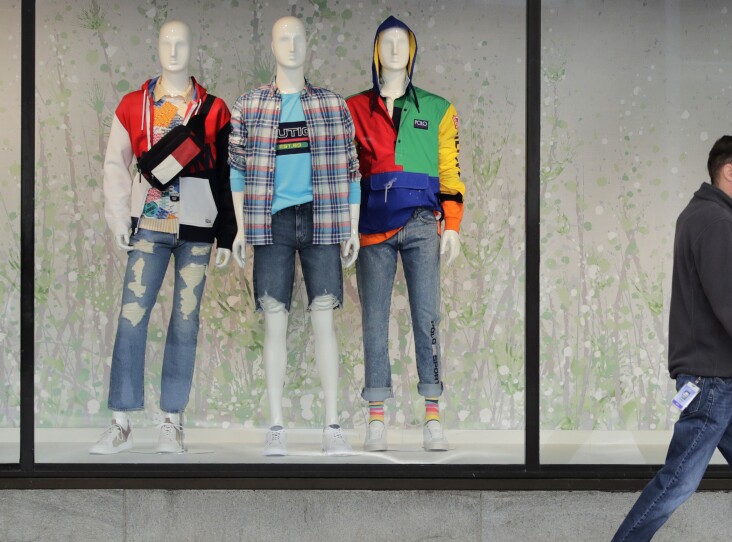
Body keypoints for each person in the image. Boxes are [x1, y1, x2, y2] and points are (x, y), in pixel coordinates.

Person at [611, 135, 732, 541]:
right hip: (711, 382)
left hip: (728, 381)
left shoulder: (714, 218)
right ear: (731, 173)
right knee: (676, 483)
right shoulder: (712, 221)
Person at [94, 20, 236, 454]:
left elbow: (228, 173)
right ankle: (120, 419)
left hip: (197, 225)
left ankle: (172, 419)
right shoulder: (134, 104)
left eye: (182, 42)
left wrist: (228, 234)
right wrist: (120, 217)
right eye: (166, 42)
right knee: (132, 315)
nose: (173, 49)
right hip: (149, 222)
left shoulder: (213, 109)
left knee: (185, 320)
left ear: (193, 48)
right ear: (156, 46)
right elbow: (116, 164)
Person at [228, 16, 360, 456]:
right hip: (270, 222)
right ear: (271, 45)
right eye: (283, 37)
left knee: (324, 320)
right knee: (275, 322)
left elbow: (351, 167)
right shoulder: (249, 105)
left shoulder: (331, 104)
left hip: (322, 218)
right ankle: (277, 426)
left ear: (309, 44)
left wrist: (352, 226)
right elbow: (237, 170)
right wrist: (241, 228)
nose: (291, 44)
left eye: (298, 37)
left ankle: (332, 424)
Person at [346, 16, 465, 452]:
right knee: (373, 320)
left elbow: (450, 169)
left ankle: (432, 412)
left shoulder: (438, 108)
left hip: (421, 222)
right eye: (386, 41)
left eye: (402, 41)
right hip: (371, 227)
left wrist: (452, 225)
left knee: (427, 315)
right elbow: (344, 172)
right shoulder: (352, 109)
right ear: (375, 50)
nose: (395, 48)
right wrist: (345, 225)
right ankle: (376, 414)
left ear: (413, 50)